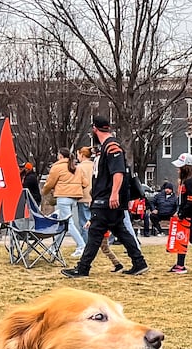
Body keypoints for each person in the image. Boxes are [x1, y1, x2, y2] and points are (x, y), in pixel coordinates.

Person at [62, 115, 148, 278]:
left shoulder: (112, 146)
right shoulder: (107, 147)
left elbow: (118, 172)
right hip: (106, 199)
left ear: (95, 129)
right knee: (120, 231)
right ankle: (139, 262)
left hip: (107, 199)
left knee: (95, 233)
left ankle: (83, 268)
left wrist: (114, 194)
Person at [43, 147, 89, 257]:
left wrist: (44, 191)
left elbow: (49, 183)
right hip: (74, 198)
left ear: (60, 156)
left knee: (68, 224)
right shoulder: (76, 167)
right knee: (63, 222)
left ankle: (81, 246)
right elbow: (85, 183)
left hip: (63, 198)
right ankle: (54, 248)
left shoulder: (57, 167)